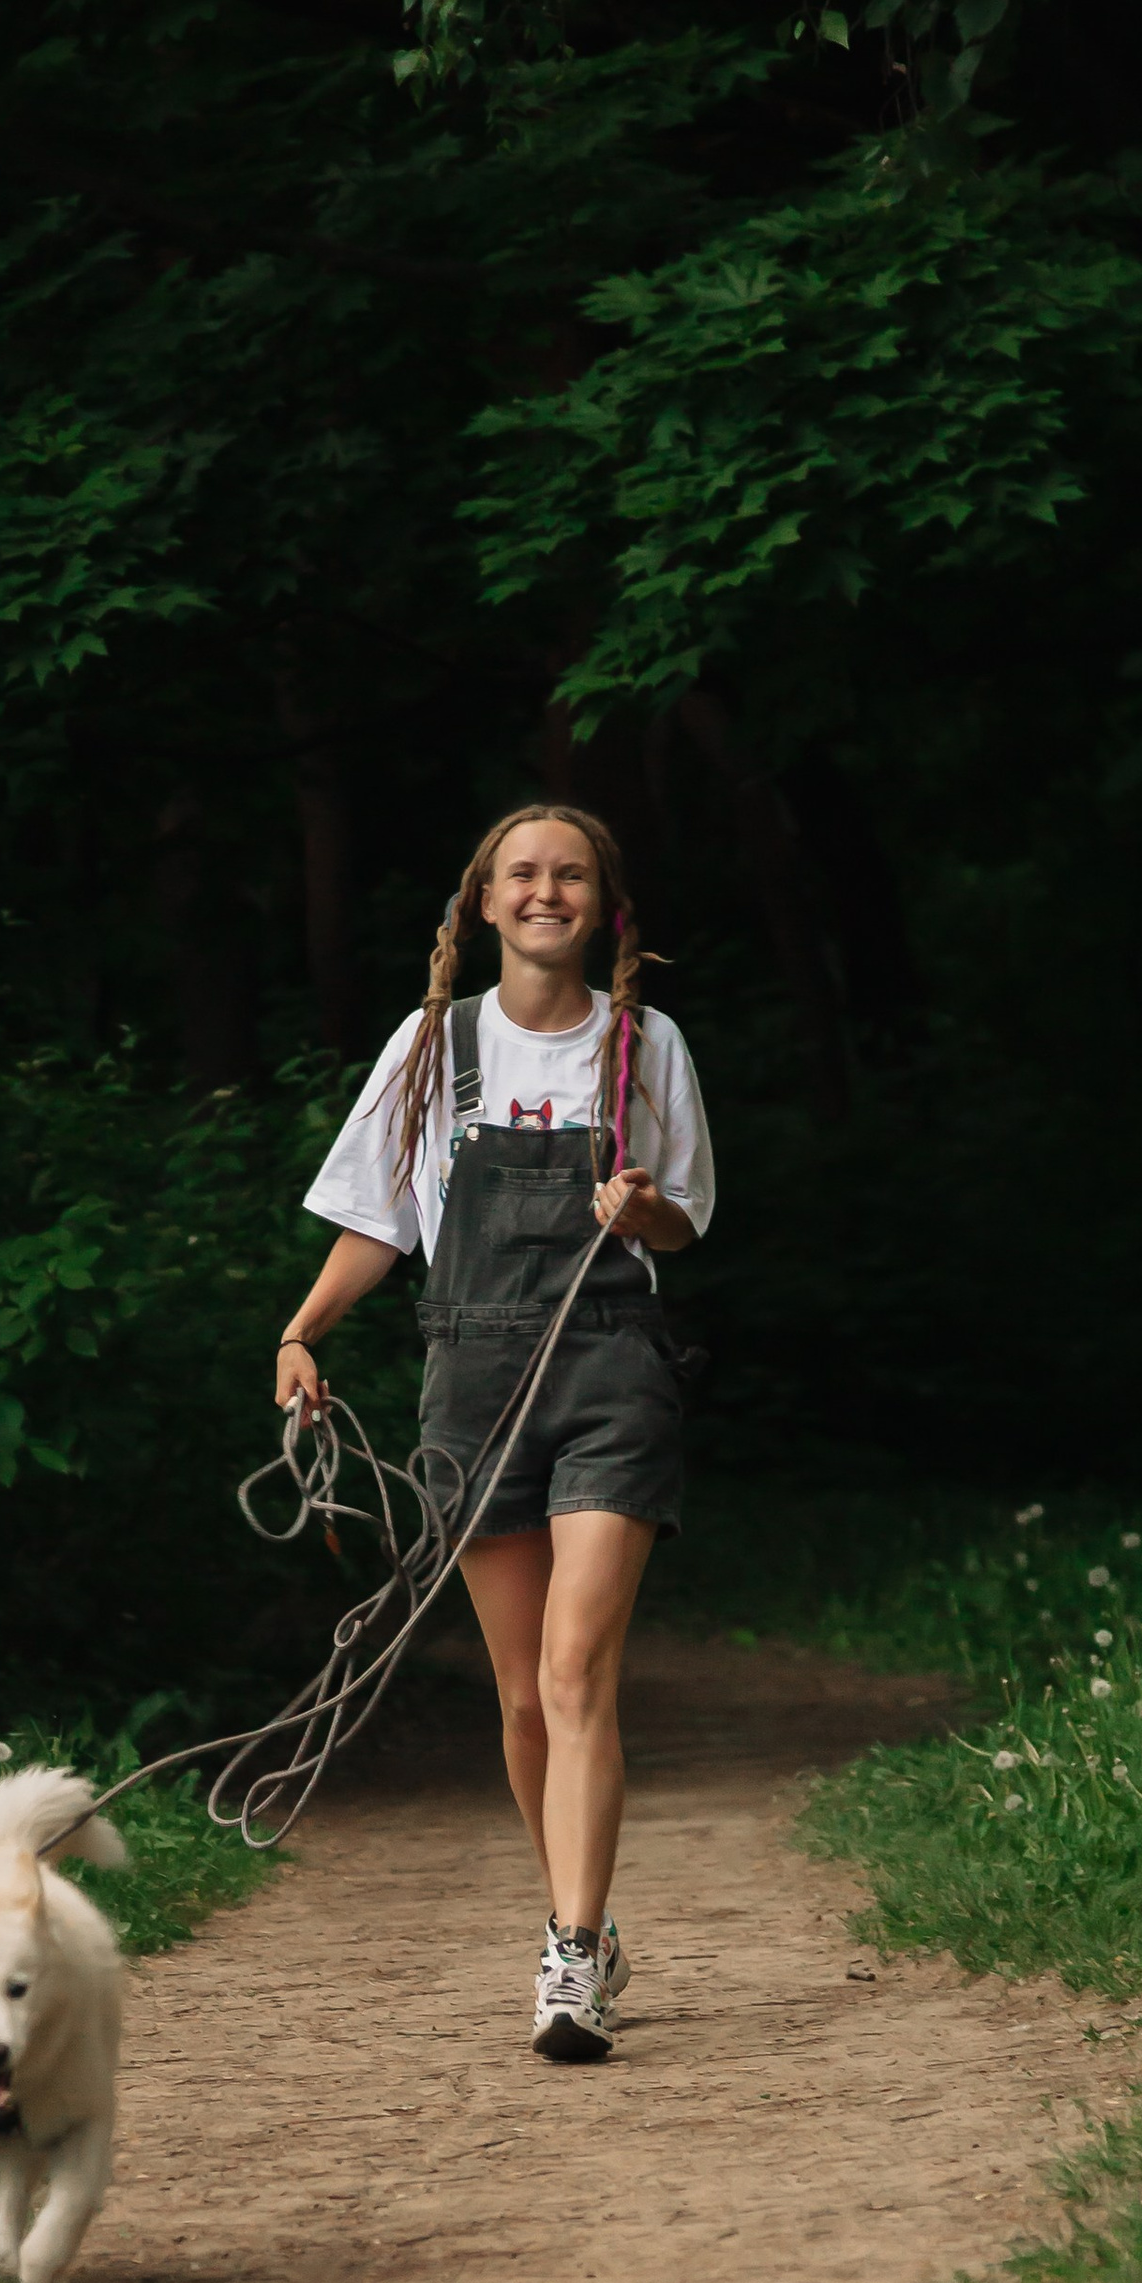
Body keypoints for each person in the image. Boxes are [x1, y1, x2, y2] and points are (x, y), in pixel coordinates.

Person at [279, 802, 713, 2063]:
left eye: (570, 874)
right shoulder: (430, 1048)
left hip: (609, 1376)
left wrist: (641, 1212)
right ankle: (582, 1918)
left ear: (603, 905)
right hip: (468, 1383)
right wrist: (302, 1332)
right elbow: (377, 1220)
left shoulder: (647, 1047)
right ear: (482, 902)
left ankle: (570, 1960)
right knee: (522, 1697)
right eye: (521, 874)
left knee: (579, 1675)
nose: (544, 892)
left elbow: (688, 1218)